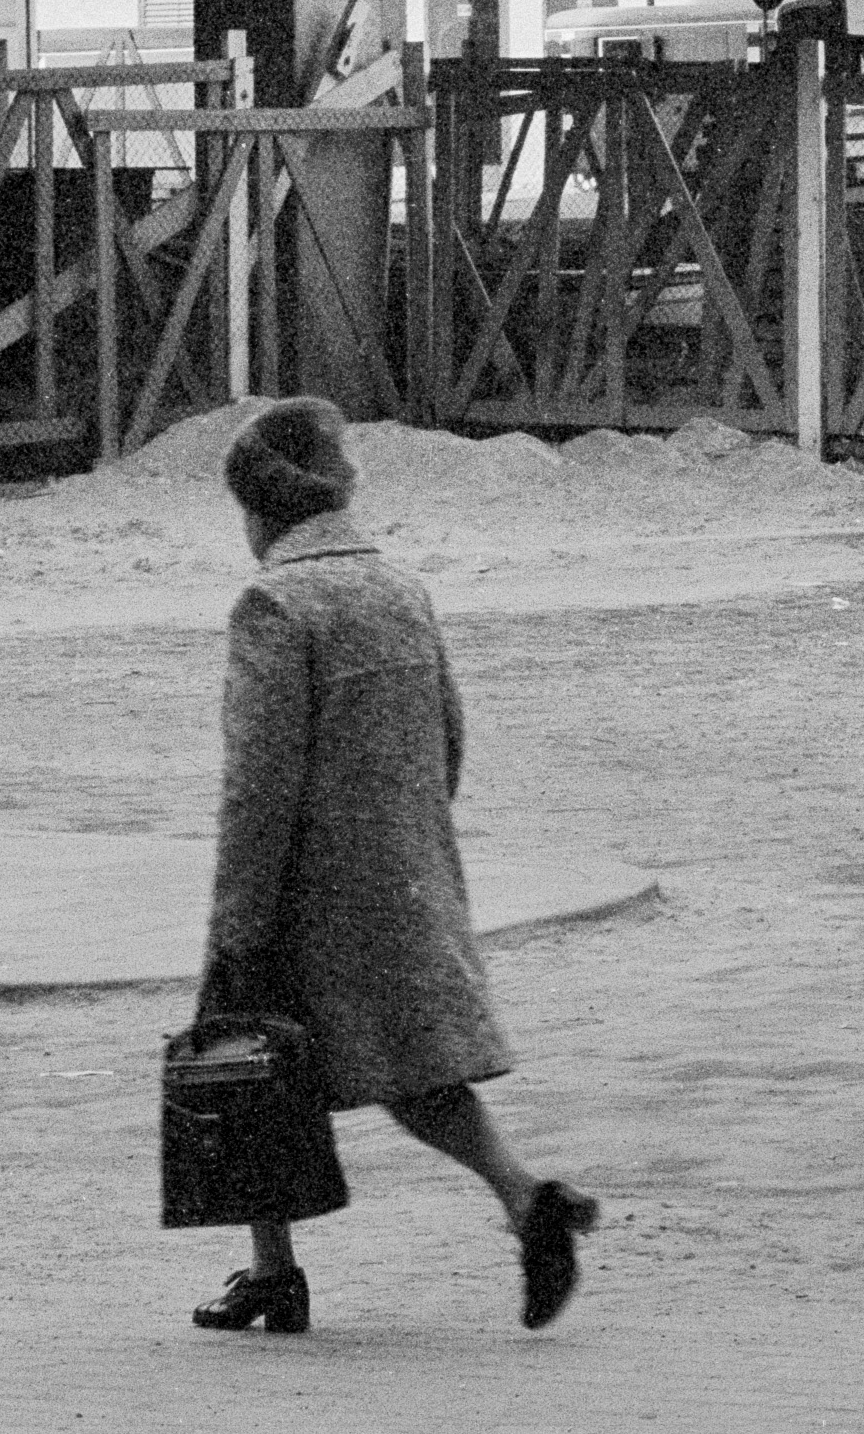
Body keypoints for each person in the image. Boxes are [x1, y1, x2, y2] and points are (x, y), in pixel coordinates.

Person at [188, 398, 598, 1340]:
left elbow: (258, 786)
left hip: (302, 892)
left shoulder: (274, 604)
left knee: (244, 1069)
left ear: (258, 511)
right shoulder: (398, 588)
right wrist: (404, 835)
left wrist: (240, 919)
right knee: (416, 1069)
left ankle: (273, 1273)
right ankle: (524, 1196)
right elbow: (449, 734)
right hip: (400, 871)